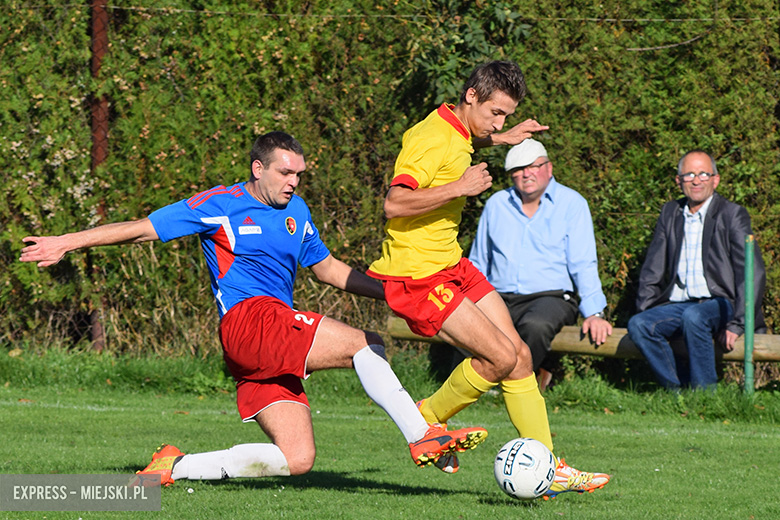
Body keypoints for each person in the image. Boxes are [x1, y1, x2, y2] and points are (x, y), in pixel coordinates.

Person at [19, 131, 489, 486]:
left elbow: (327, 270)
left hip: (266, 338)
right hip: (249, 320)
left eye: (299, 174)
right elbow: (142, 229)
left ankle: (174, 467)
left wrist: (392, 294)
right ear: (257, 168)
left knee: (297, 459)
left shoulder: (296, 211)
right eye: (286, 173)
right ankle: (420, 432)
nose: (294, 182)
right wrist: (67, 241)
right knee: (366, 344)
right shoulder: (220, 204)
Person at [367, 61, 610, 499]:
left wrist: (502, 138)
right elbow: (395, 203)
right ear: (472, 96)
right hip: (419, 274)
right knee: (498, 358)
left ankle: (550, 466)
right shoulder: (429, 137)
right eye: (496, 113)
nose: (499, 122)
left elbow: (471, 135)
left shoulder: (458, 127)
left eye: (506, 116)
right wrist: (459, 188)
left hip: (451, 263)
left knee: (517, 356)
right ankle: (427, 419)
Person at [469, 138, 613, 392]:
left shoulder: (573, 204)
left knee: (535, 325)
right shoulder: (496, 205)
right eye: (517, 169)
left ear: (549, 167)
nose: (526, 174)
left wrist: (594, 312)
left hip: (552, 297)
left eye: (533, 166)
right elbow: (479, 261)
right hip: (499, 295)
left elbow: (583, 262)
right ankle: (487, 381)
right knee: (468, 324)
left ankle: (509, 383)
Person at [627, 150, 766, 390]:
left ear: (716, 179)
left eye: (703, 174)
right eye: (689, 174)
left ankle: (705, 394)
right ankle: (677, 392)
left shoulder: (732, 214)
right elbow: (653, 267)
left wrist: (738, 323)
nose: (696, 180)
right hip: (681, 304)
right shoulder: (670, 213)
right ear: (678, 180)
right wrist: (647, 309)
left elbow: (752, 272)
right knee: (639, 324)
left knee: (695, 317)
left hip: (722, 302)